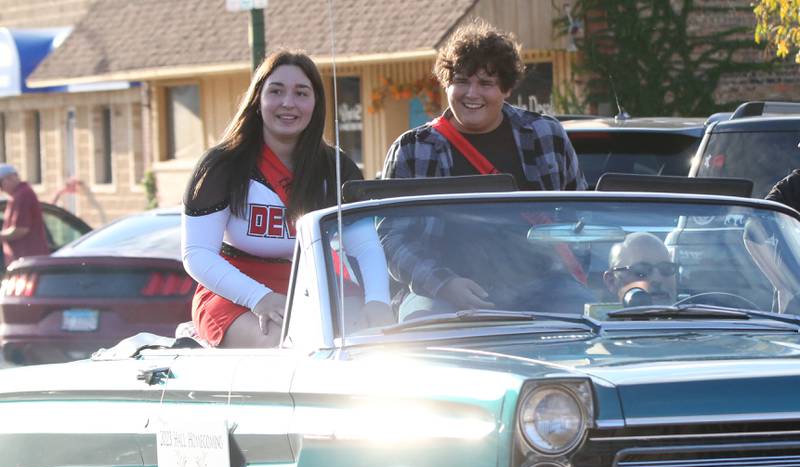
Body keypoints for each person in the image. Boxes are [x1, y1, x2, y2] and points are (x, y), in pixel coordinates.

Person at [182, 51, 392, 348]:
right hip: (234, 292)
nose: (288, 103)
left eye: (301, 93)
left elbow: (365, 245)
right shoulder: (222, 165)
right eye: (276, 91)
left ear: (316, 102)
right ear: (258, 100)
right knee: (289, 344)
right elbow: (197, 254)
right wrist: (260, 298)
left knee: (375, 343)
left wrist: (378, 302)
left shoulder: (335, 166)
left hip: (312, 285)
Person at [379, 19, 586, 319]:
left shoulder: (546, 135)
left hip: (543, 286)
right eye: (462, 81)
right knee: (417, 334)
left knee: (593, 323)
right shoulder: (412, 149)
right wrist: (443, 283)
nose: (472, 94)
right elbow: (390, 237)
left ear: (507, 88)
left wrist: (580, 267)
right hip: (439, 292)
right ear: (446, 83)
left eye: (486, 83)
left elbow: (578, 217)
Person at [604, 232, 677, 306]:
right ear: (612, 282)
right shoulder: (593, 317)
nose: (657, 279)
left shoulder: (688, 314)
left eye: (666, 269)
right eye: (641, 271)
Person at [0, 163, 49, 266]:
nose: (1, 189)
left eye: (0, 184)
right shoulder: (19, 195)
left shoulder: (23, 195)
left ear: (11, 178)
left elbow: (21, 229)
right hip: (23, 262)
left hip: (27, 262)